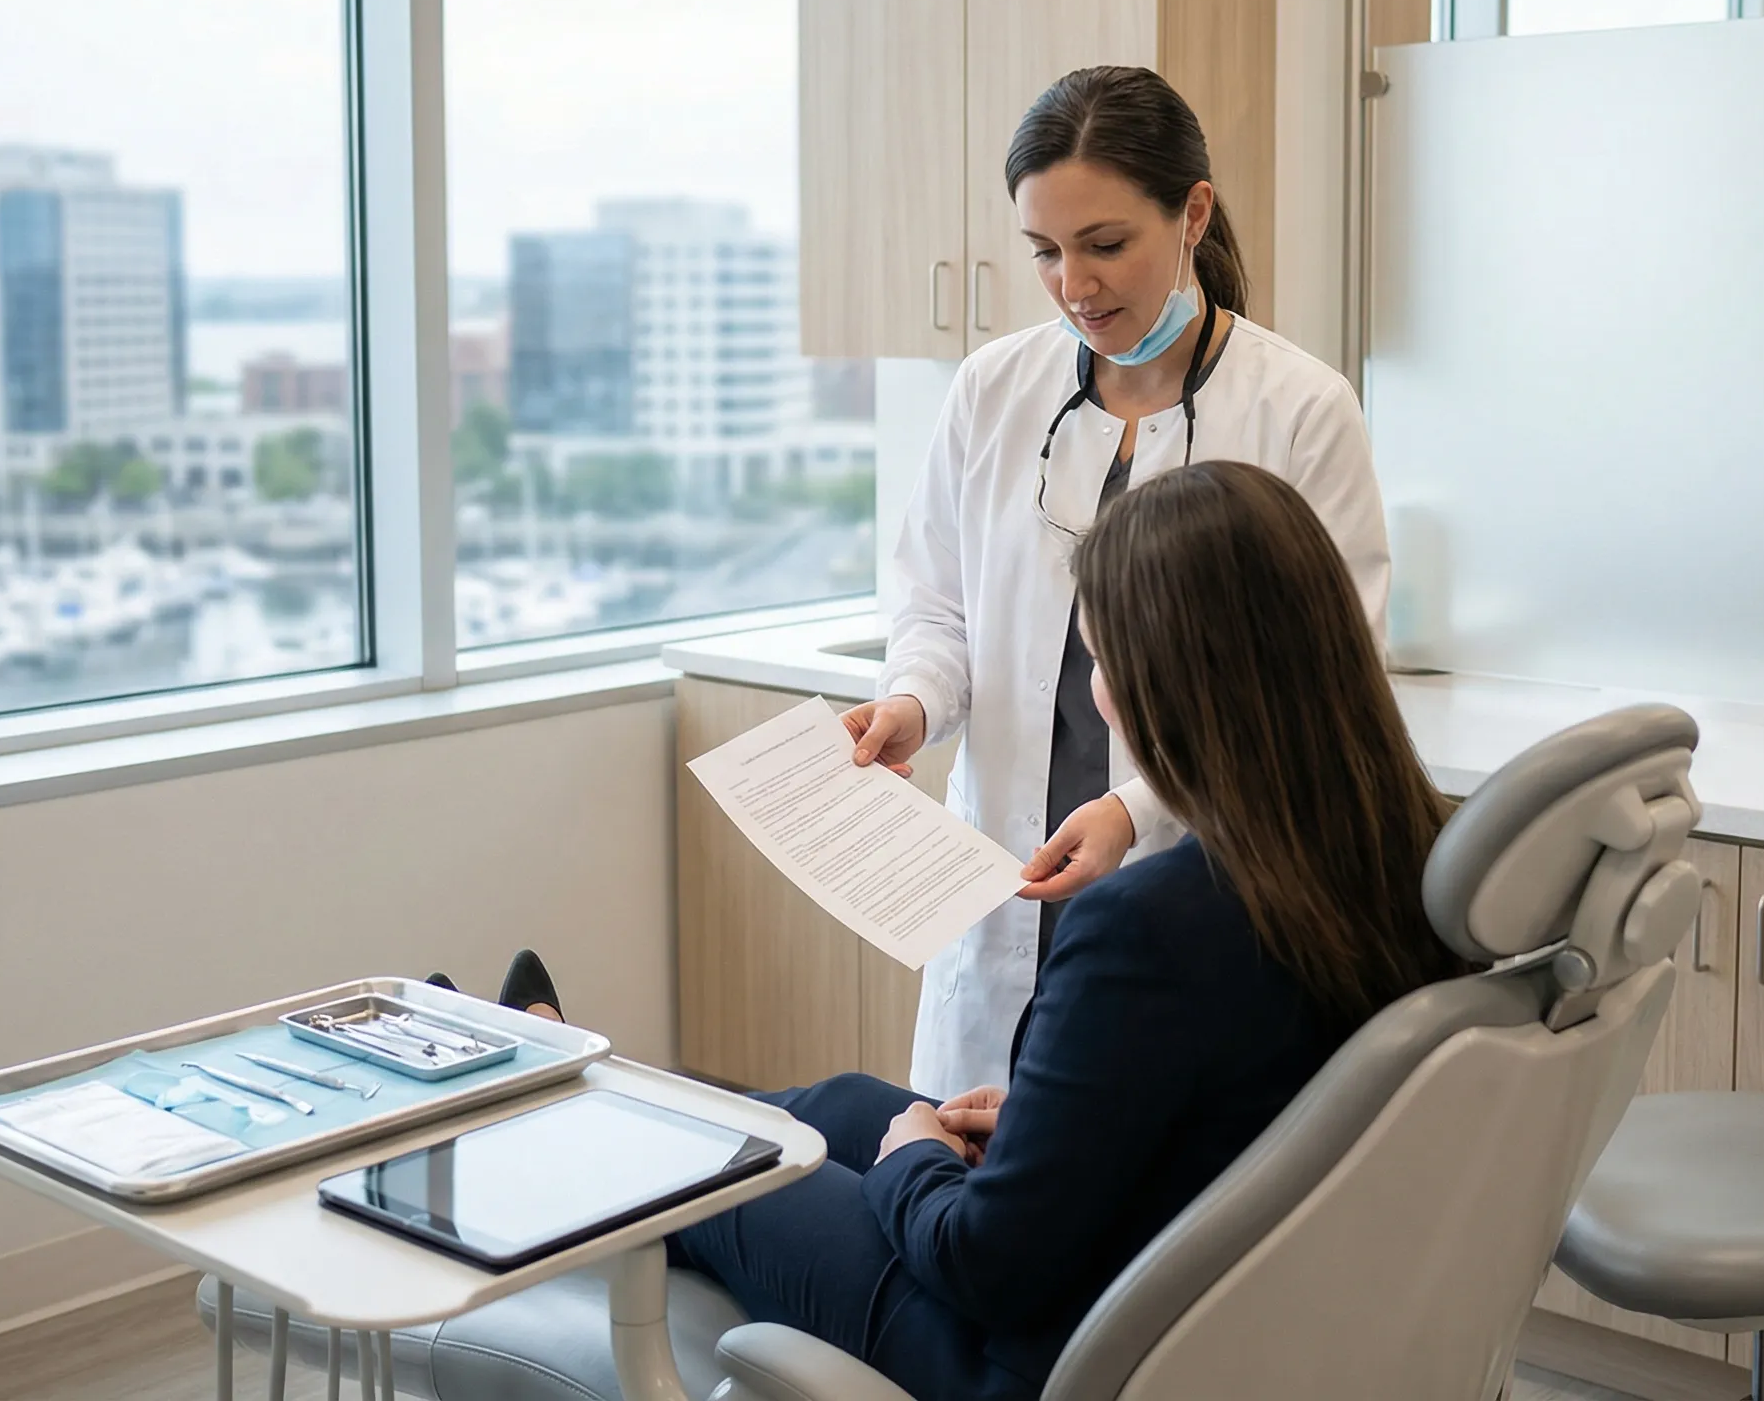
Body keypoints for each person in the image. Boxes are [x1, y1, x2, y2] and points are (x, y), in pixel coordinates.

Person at [497, 463, 1457, 1401]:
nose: (1096, 693)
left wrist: (912, 1158)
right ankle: (585, 1094)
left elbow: (984, 1264)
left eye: (1101, 662)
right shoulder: (1403, 859)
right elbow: (1237, 1108)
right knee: (844, 1101)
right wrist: (1051, 1123)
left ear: (1168, 685)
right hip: (1193, 1290)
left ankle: (555, 1119)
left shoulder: (1146, 930)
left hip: (1028, 1355)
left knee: (722, 1160)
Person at [845, 65, 1393, 1100]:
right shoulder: (993, 389)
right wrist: (913, 703)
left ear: (1194, 214)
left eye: (1104, 245)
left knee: (1142, 1174)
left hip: (1197, 882)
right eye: (1044, 251)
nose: (1074, 285)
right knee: (965, 1165)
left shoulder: (1300, 411)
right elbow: (936, 606)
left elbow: (1321, 692)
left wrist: (1140, 813)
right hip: (1001, 887)